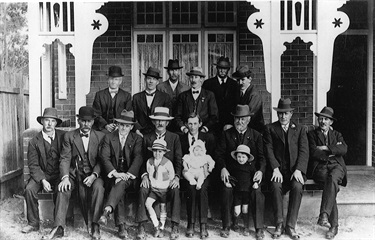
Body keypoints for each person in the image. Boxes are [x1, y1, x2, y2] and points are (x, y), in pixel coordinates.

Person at [42, 106, 105, 240]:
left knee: (99, 187)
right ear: (78, 120)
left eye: (89, 121)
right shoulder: (69, 136)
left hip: (94, 174)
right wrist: (65, 177)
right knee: (62, 187)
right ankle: (59, 226)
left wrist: (94, 175)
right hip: (74, 174)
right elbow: (65, 158)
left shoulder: (100, 137)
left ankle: (95, 225)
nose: (86, 124)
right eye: (83, 121)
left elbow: (102, 161)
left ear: (93, 122)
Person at [216, 104, 266, 240]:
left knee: (257, 192)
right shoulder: (227, 134)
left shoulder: (256, 136)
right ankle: (226, 225)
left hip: (250, 176)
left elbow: (262, 157)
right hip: (232, 175)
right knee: (226, 190)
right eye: (237, 119)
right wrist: (223, 168)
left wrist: (260, 171)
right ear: (234, 120)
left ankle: (259, 228)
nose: (240, 122)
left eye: (243, 119)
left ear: (248, 120)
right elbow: (219, 154)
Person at [263, 98, 309, 240]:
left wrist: (299, 170)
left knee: (297, 187)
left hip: (294, 171)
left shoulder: (300, 129)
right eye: (281, 113)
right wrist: (275, 168)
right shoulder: (270, 129)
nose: (283, 116)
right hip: (278, 171)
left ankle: (290, 226)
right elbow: (268, 150)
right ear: (278, 114)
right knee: (276, 186)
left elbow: (304, 151)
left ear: (291, 114)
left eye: (286, 113)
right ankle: (279, 224)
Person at [135, 107, 182, 240]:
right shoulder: (147, 138)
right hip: (150, 177)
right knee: (143, 188)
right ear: (153, 122)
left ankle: (175, 226)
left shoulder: (174, 138)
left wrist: (177, 177)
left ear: (167, 123)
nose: (160, 123)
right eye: (157, 121)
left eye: (163, 121)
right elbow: (141, 159)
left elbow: (178, 160)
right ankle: (141, 225)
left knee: (176, 189)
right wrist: (144, 175)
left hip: (168, 178)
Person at [98, 110, 143, 239]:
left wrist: (127, 174)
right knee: (119, 185)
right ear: (117, 124)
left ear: (132, 127)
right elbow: (104, 157)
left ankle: (107, 212)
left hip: (130, 176)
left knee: (121, 184)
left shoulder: (137, 139)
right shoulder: (109, 137)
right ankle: (121, 226)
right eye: (121, 124)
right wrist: (116, 174)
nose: (124, 128)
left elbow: (138, 158)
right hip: (114, 174)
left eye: (127, 125)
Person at [22, 108, 65, 234]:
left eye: (53, 121)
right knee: (29, 190)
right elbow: (33, 165)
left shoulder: (63, 137)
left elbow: (68, 158)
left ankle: (58, 225)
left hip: (59, 174)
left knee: (62, 189)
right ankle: (33, 223)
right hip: (42, 173)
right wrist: (43, 180)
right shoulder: (34, 141)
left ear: (56, 123)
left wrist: (64, 176)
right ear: (42, 122)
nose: (49, 124)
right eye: (47, 120)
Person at [307, 107, 347, 239]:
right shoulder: (312, 134)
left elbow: (343, 149)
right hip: (321, 167)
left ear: (331, 122)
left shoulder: (337, 135)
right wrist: (332, 153)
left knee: (332, 180)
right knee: (331, 184)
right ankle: (333, 225)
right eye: (321, 118)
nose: (322, 121)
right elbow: (313, 151)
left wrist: (326, 148)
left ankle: (325, 216)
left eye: (326, 119)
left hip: (336, 166)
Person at [179, 113, 216, 239]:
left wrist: (206, 171)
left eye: (195, 123)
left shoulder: (208, 137)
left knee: (203, 189)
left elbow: (212, 157)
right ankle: (191, 223)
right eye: (190, 123)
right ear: (186, 124)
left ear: (200, 124)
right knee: (190, 188)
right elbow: (180, 158)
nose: (192, 127)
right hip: (189, 173)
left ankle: (203, 225)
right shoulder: (181, 139)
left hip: (204, 173)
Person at [145, 139, 175, 238]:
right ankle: (156, 225)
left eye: (160, 151)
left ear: (164, 152)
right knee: (148, 204)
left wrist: (168, 185)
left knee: (163, 207)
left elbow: (172, 176)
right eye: (155, 151)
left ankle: (161, 228)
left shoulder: (168, 163)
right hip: (154, 189)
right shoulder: (149, 162)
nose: (157, 153)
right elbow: (149, 174)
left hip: (164, 190)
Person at [175, 67, 218, 134]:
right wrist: (183, 128)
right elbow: (177, 116)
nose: (193, 80)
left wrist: (205, 128)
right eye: (191, 77)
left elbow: (214, 116)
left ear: (201, 79)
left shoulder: (209, 95)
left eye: (196, 77)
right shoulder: (183, 96)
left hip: (204, 133)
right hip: (186, 132)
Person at [202, 56, 238, 136]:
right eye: (220, 68)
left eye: (225, 68)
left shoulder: (234, 85)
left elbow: (236, 105)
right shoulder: (208, 84)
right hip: (212, 125)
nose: (222, 71)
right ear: (217, 68)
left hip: (229, 124)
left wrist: (231, 123)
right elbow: (204, 105)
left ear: (228, 70)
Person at [133, 67, 172, 136]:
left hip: (158, 134)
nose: (151, 81)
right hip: (140, 134)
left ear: (157, 82)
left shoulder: (165, 97)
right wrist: (137, 130)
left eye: (154, 79)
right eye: (149, 78)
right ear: (145, 80)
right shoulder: (136, 97)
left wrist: (161, 131)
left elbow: (168, 118)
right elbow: (134, 116)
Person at [93, 66, 132, 133]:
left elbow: (128, 114)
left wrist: (119, 125)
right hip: (103, 128)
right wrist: (106, 125)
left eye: (116, 79)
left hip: (120, 128)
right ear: (108, 80)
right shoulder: (99, 95)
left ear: (120, 81)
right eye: (111, 79)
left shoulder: (126, 96)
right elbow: (96, 114)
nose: (113, 82)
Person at [228, 145, 257, 233]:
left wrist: (256, 183)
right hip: (237, 192)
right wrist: (228, 182)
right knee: (237, 210)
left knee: (245, 209)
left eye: (243, 157)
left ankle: (246, 226)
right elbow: (230, 177)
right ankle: (235, 223)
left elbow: (255, 177)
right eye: (239, 157)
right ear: (236, 157)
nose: (241, 159)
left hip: (247, 192)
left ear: (247, 158)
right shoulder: (233, 166)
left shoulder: (251, 167)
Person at [157, 59, 190, 132]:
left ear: (179, 72)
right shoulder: (160, 87)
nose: (174, 73)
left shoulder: (186, 88)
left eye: (176, 70)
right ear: (168, 71)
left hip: (181, 125)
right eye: (171, 70)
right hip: (165, 123)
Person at [232, 65, 265, 133]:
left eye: (243, 80)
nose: (240, 83)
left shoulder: (254, 95)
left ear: (249, 79)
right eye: (238, 80)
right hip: (242, 127)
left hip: (254, 130)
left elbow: (248, 115)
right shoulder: (238, 92)